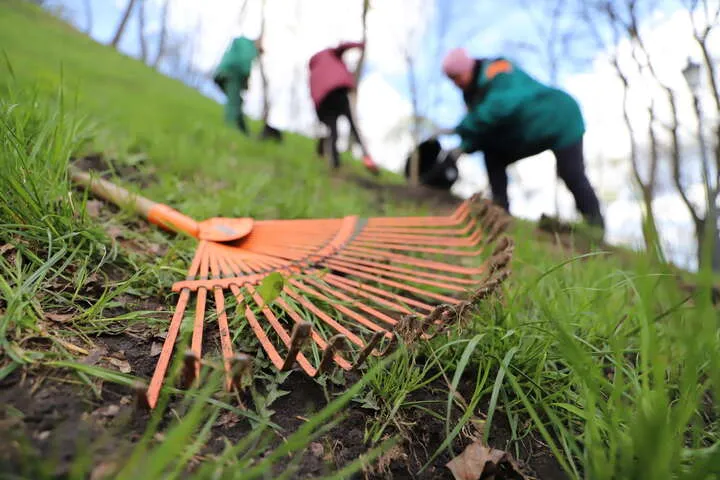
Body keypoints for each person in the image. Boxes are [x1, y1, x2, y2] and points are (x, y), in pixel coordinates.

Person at [440, 47, 605, 229]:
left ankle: (596, 227)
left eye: (457, 77)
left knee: (572, 173)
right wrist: (461, 149)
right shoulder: (473, 94)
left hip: (560, 118)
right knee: (493, 154)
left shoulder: (498, 70)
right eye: (452, 80)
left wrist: (461, 127)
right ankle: (500, 212)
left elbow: (501, 106)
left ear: (468, 68)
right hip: (529, 130)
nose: (456, 83)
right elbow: (484, 131)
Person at [308, 41, 379, 175]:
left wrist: (320, 114)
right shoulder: (330, 53)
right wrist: (360, 45)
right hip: (338, 90)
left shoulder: (313, 69)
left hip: (323, 101)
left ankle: (335, 163)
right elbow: (343, 46)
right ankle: (367, 158)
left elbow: (312, 92)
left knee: (333, 131)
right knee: (353, 125)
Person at [213, 36, 263, 135]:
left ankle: (243, 131)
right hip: (232, 72)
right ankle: (230, 126)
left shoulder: (243, 42)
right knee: (234, 103)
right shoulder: (249, 46)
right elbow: (245, 61)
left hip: (224, 72)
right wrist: (246, 79)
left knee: (237, 101)